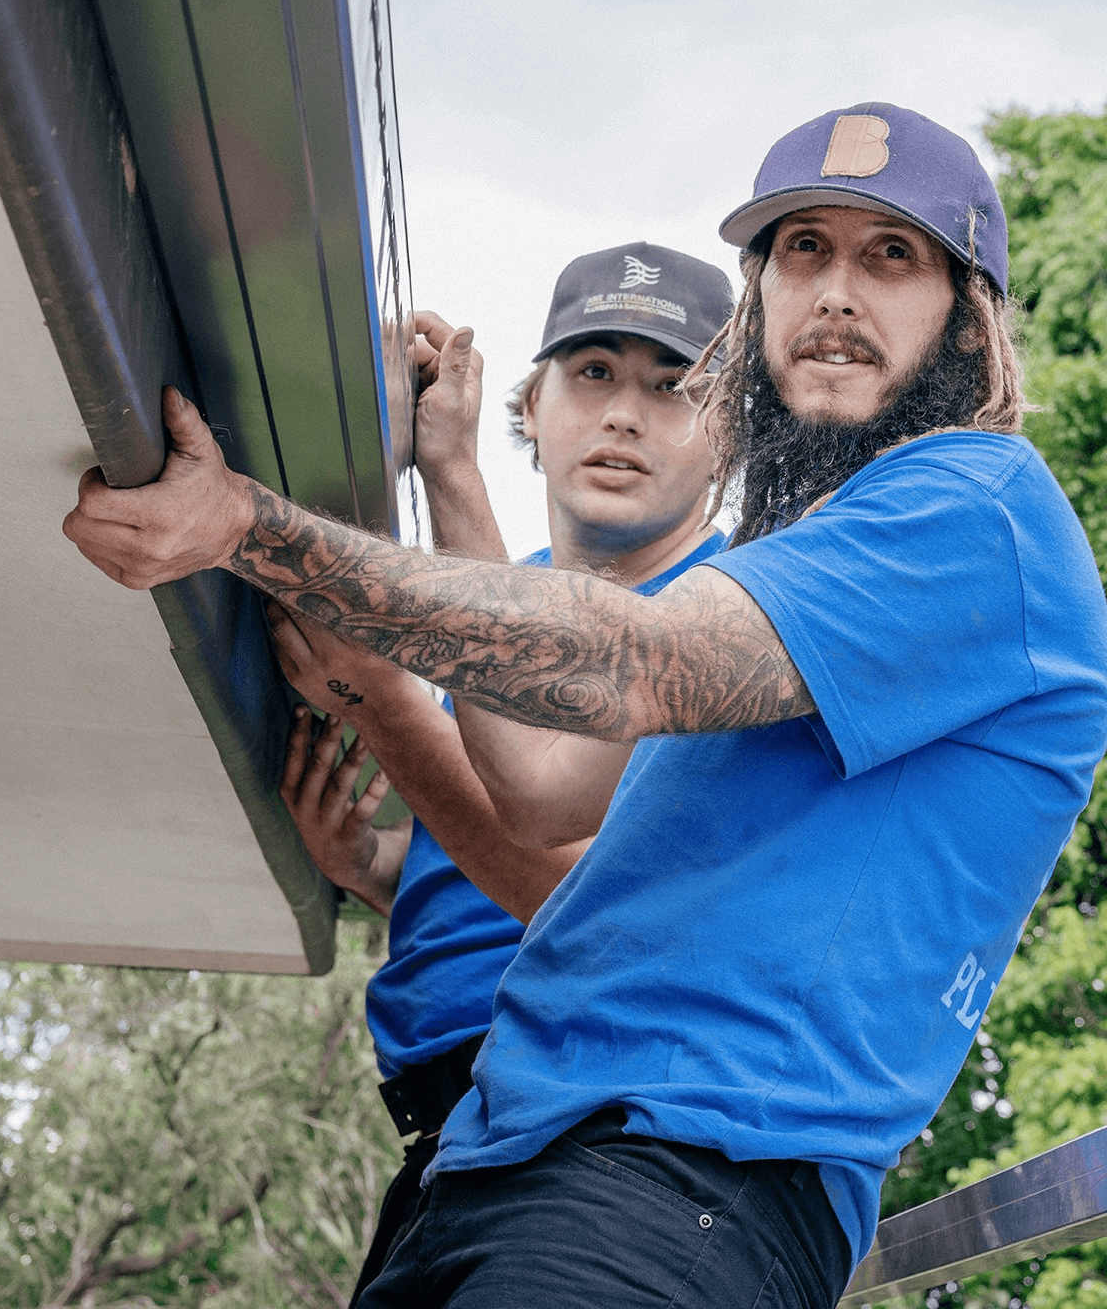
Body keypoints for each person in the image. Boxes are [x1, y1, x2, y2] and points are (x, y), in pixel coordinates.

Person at [64, 103, 1107, 1309]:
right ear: (759, 300)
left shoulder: (976, 507)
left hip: (683, 1180)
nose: (834, 291)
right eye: (802, 251)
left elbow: (630, 667)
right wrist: (447, 473)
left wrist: (253, 528)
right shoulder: (804, 569)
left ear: (970, 322)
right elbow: (542, 786)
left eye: (892, 256)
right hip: (509, 1163)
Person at [272, 242, 735, 1301]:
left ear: (729, 431)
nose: (626, 412)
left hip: (594, 1138)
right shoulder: (500, 596)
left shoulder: (723, 624)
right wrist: (382, 867)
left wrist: (385, 706)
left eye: (673, 388)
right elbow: (487, 842)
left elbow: (578, 892)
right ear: (530, 401)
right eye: (594, 373)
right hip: (448, 1139)